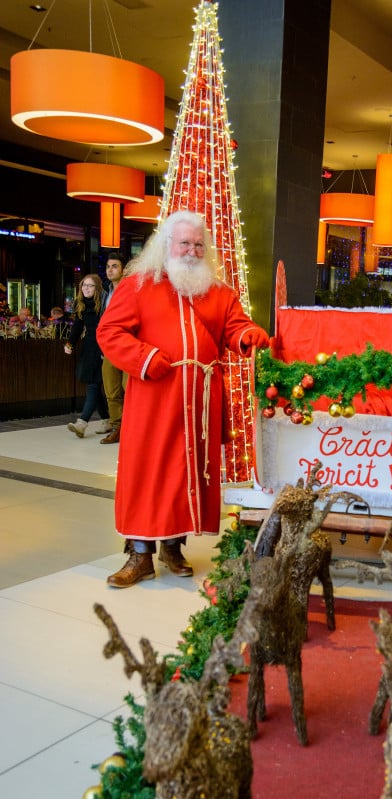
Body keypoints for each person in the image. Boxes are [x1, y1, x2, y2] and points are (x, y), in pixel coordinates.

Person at [97, 209, 270, 588]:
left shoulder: (219, 291)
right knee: (148, 473)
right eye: (184, 243)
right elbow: (109, 333)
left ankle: (173, 546)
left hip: (200, 402)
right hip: (154, 399)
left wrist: (248, 335)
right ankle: (139, 554)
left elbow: (235, 325)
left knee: (186, 473)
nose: (192, 250)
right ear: (166, 245)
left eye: (198, 244)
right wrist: (144, 358)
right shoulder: (138, 284)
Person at [64, 275, 111, 438]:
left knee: (93, 384)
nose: (86, 288)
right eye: (84, 285)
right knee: (94, 384)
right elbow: (78, 326)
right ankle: (106, 419)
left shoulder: (105, 304)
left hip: (103, 346)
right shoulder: (81, 304)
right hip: (89, 346)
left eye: (90, 286)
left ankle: (82, 422)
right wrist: (70, 343)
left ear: (97, 288)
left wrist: (107, 349)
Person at [99, 254, 127, 444]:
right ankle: (117, 428)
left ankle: (133, 427)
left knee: (130, 388)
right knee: (111, 390)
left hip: (128, 345)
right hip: (109, 346)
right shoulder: (106, 292)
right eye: (108, 266)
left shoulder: (131, 289)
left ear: (123, 269)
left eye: (115, 266)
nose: (110, 270)